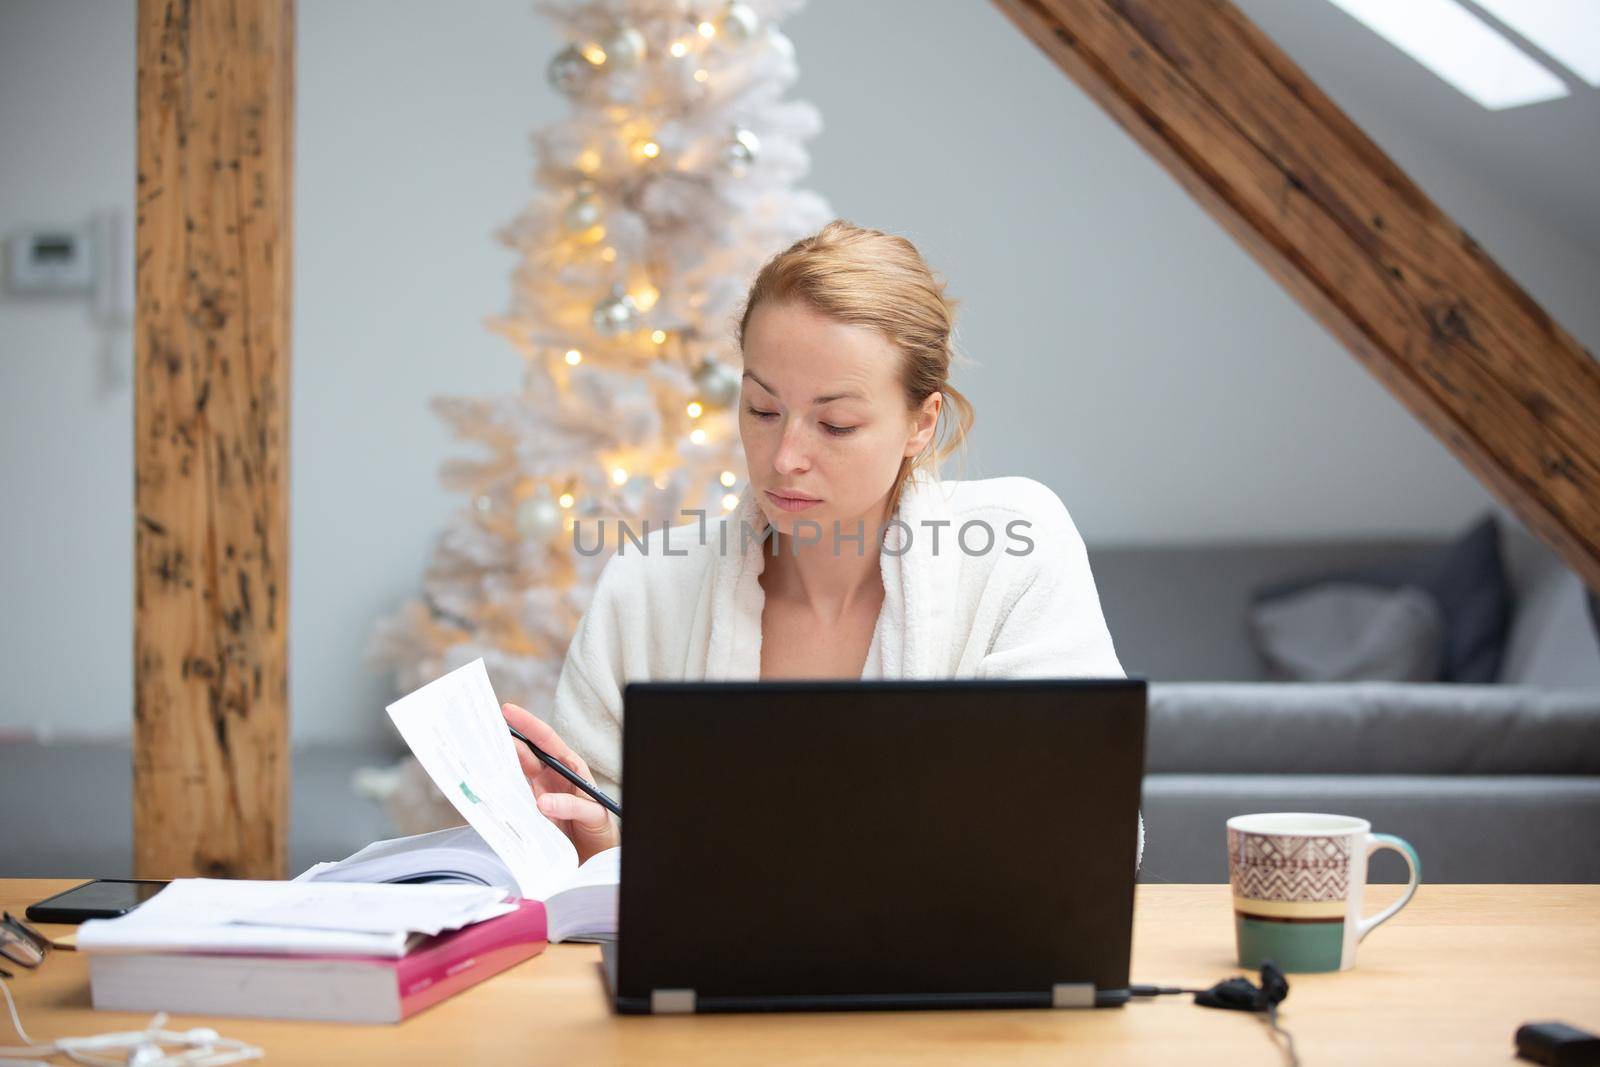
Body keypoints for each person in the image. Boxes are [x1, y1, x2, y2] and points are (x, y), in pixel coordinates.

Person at [502, 219, 1142, 868]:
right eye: (761, 409)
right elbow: (594, 859)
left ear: (922, 422)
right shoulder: (645, 587)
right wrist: (597, 846)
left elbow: (1091, 834)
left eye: (835, 424)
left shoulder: (1016, 548)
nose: (785, 458)